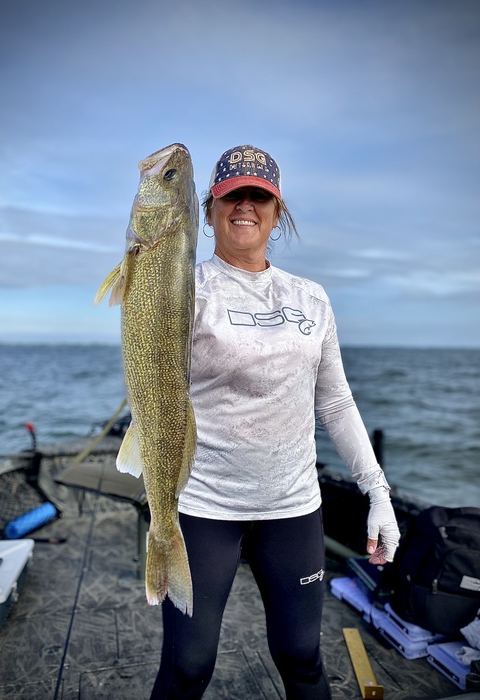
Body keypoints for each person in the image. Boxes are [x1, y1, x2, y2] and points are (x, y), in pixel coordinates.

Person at [150, 144, 400, 699]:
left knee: (302, 657)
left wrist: (377, 493)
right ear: (208, 209)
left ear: (277, 209)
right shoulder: (182, 290)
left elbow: (335, 403)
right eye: (231, 194)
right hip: (204, 507)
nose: (245, 205)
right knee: (188, 666)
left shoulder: (310, 298)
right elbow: (153, 384)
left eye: (258, 195)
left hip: (292, 508)